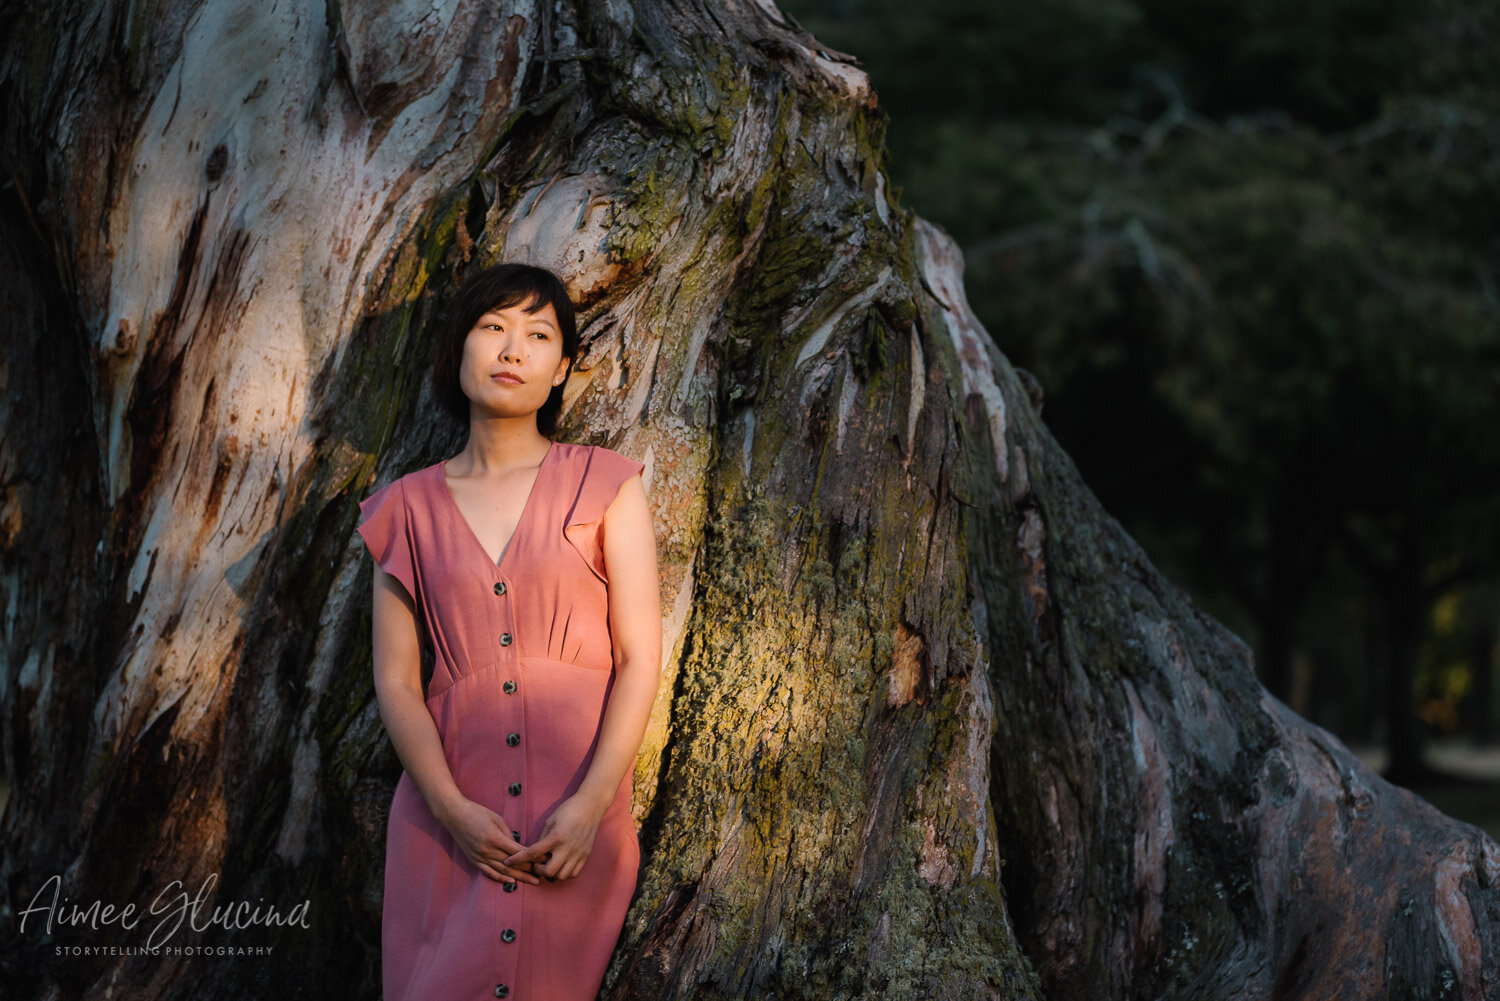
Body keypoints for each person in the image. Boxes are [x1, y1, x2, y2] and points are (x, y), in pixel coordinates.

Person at [354, 263, 661, 1001]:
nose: (512, 349)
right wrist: (453, 810)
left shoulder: (607, 483)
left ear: (561, 371)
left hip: (573, 832)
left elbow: (639, 655)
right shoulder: (404, 508)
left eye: (538, 334)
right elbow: (395, 680)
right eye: (492, 327)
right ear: (458, 350)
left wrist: (589, 810)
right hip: (448, 830)